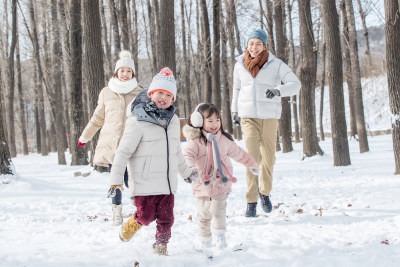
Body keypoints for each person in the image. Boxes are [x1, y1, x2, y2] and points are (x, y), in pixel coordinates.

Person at [109, 67, 197, 256]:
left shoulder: (173, 121)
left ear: (172, 99)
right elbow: (123, 152)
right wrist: (115, 180)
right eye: (159, 93)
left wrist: (187, 174)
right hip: (144, 182)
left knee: (167, 220)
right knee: (146, 216)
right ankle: (132, 224)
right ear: (150, 94)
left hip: (167, 184)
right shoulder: (137, 121)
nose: (163, 97)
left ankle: (161, 246)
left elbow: (175, 152)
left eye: (168, 95)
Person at [231, 29, 301, 217]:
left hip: (269, 116)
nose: (254, 47)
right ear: (247, 44)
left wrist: (278, 91)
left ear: (264, 46)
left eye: (258, 44)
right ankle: (251, 201)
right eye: (251, 43)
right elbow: (236, 88)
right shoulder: (239, 65)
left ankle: (265, 192)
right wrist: (234, 111)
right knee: (251, 158)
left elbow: (296, 84)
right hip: (248, 117)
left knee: (268, 158)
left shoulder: (276, 64)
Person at [182, 103, 259, 249]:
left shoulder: (223, 139)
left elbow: (239, 154)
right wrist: (190, 169)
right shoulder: (196, 141)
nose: (214, 124)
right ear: (198, 121)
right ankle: (205, 240)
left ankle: (220, 237)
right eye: (210, 121)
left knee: (218, 211)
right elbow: (187, 155)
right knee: (203, 215)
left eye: (217, 120)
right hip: (202, 185)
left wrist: (252, 164)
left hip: (221, 184)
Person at [78, 51, 142, 226]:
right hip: (113, 146)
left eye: (129, 71)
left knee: (132, 180)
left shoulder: (140, 93)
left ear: (133, 74)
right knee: (116, 180)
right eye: (122, 70)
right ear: (116, 72)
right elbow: (98, 118)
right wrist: (85, 136)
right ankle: (116, 212)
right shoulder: (106, 92)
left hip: (132, 145)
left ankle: (140, 208)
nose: (125, 74)